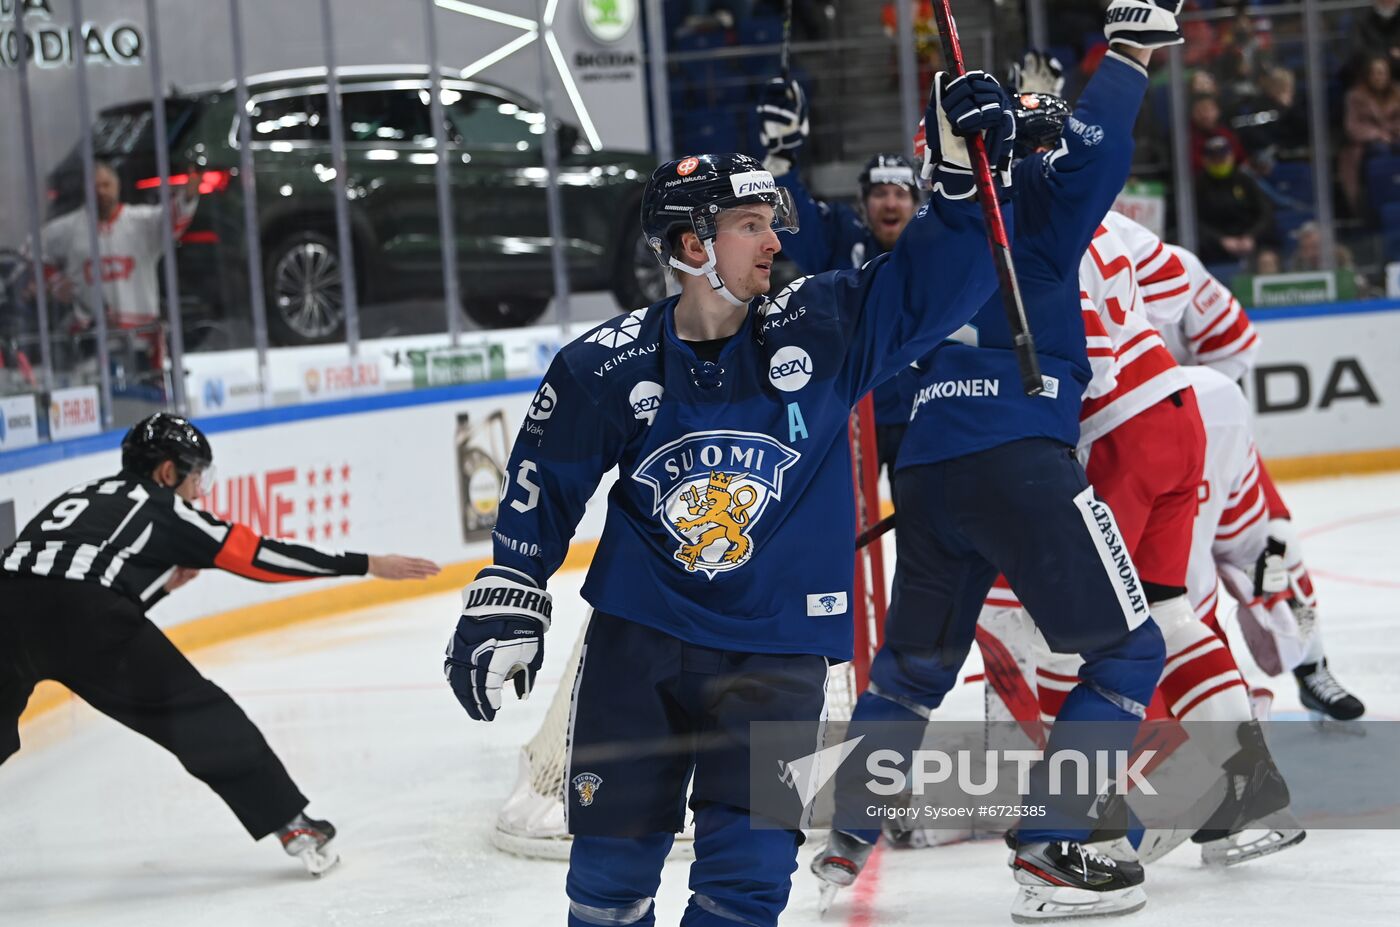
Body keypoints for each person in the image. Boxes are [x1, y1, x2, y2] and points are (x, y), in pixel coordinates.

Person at [442, 71, 1018, 927]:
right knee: (606, 890)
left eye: (770, 224)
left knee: (744, 889)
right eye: (749, 225)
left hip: (775, 657)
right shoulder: (604, 365)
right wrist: (512, 589)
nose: (771, 244)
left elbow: (940, 285)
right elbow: (542, 480)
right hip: (638, 649)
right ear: (688, 245)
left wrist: (966, 180)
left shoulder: (824, 327)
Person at [812, 3, 1182, 921]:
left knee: (910, 666)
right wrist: (1130, 47)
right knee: (1129, 648)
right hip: (1020, 454)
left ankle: (851, 823)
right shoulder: (1043, 221)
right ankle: (1055, 845)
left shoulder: (943, 228)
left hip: (930, 467)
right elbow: (1094, 150)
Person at [0, 413, 440, 875]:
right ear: (167, 472)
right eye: (195, 478)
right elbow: (258, 557)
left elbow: (52, 584)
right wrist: (366, 563)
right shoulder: (161, 505)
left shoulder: (80, 494)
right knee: (198, 713)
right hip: (83, 613)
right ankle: (292, 824)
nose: (198, 492)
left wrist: (161, 590)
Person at [754, 77, 923, 473]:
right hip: (852, 413)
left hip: (923, 410)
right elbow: (794, 221)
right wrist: (779, 161)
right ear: (863, 204)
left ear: (916, 204)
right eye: (879, 193)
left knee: (924, 525)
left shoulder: (932, 250)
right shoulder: (840, 238)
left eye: (900, 193)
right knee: (851, 528)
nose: (890, 202)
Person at [37, 161, 200, 381]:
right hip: (88, 343)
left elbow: (172, 219)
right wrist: (54, 281)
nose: (101, 191)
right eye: (95, 186)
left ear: (117, 186)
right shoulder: (67, 228)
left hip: (141, 342)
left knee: (145, 407)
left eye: (106, 184)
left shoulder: (142, 222)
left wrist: (187, 197)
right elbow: (32, 254)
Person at [1196, 134, 1274, 265]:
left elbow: (1265, 211)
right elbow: (1194, 221)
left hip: (1249, 242)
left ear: (1231, 156)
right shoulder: (1198, 185)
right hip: (1212, 248)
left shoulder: (1245, 180)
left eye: (1222, 157)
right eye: (1214, 158)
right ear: (1206, 160)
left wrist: (1251, 236)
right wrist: (1220, 240)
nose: (1219, 162)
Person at [1339, 55, 1400, 215]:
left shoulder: (1397, 93)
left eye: (1382, 73)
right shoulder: (1355, 96)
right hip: (1365, 145)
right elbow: (1352, 127)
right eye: (1375, 73)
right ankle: (1378, 202)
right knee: (1380, 151)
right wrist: (1378, 134)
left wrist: (1392, 131)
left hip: (1395, 139)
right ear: (1368, 75)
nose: (1379, 77)